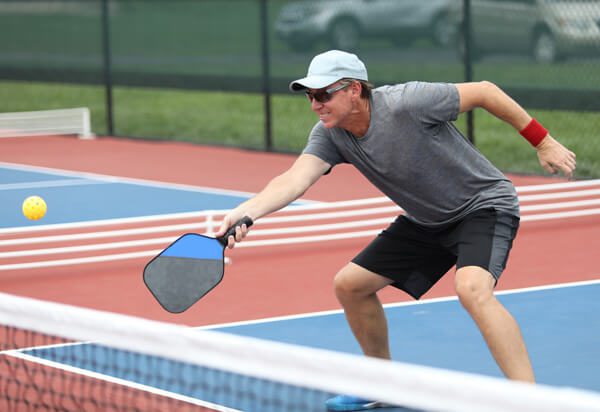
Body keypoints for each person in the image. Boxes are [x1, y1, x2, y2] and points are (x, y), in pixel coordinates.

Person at [216, 50, 576, 411]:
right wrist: (248, 211)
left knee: (471, 289)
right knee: (350, 285)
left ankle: (532, 400)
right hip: (426, 220)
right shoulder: (331, 135)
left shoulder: (407, 103)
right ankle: (382, 383)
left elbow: (485, 91)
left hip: (482, 206)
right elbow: (294, 179)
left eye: (323, 94)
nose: (315, 104)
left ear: (354, 89)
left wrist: (542, 141)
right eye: (310, 96)